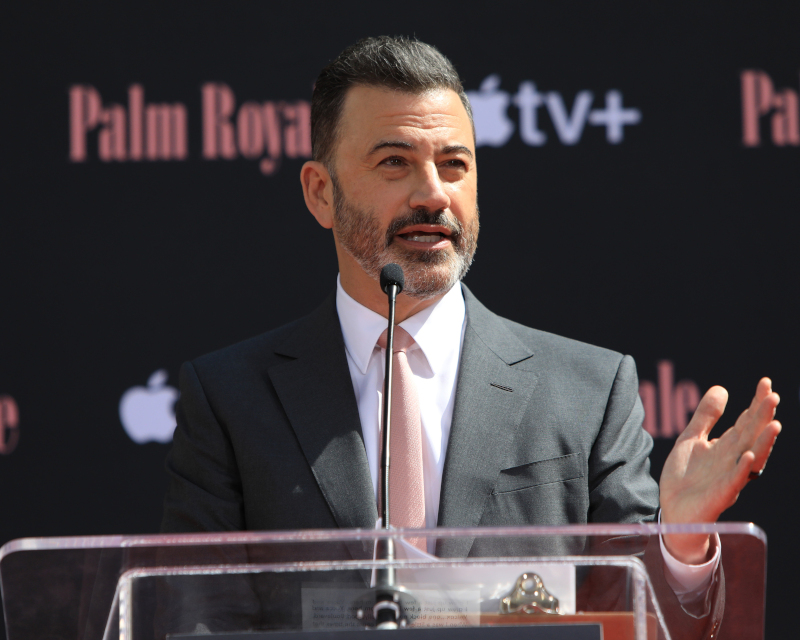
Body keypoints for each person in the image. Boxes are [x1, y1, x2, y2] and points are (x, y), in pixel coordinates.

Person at [160, 36, 781, 635]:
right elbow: (197, 621)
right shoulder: (229, 400)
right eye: (395, 162)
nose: (433, 194)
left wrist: (682, 542)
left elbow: (635, 618)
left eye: (454, 164)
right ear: (321, 193)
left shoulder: (588, 392)